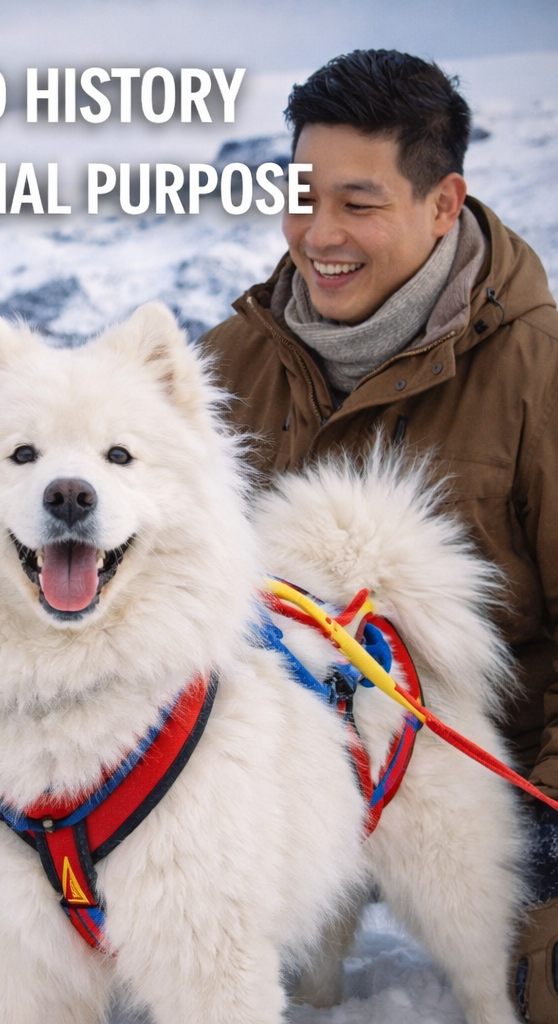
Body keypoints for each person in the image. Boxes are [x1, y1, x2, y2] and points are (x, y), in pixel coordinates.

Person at [196, 50, 558, 1022]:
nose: (319, 235)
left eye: (358, 204)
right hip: (270, 768)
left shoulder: (540, 373)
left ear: (444, 204)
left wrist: (550, 818)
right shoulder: (228, 362)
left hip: (488, 771)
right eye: (301, 196)